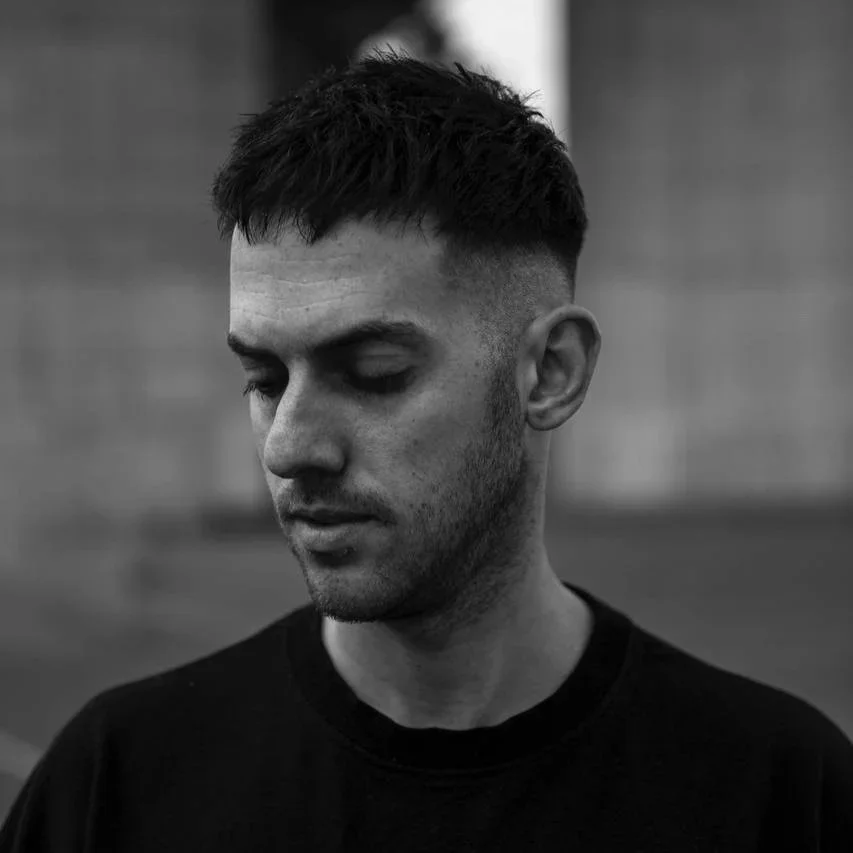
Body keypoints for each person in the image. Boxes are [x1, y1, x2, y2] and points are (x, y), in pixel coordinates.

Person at [2, 48, 851, 852]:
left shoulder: (778, 794)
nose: (290, 445)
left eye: (375, 373)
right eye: (264, 378)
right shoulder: (116, 785)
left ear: (549, 373)